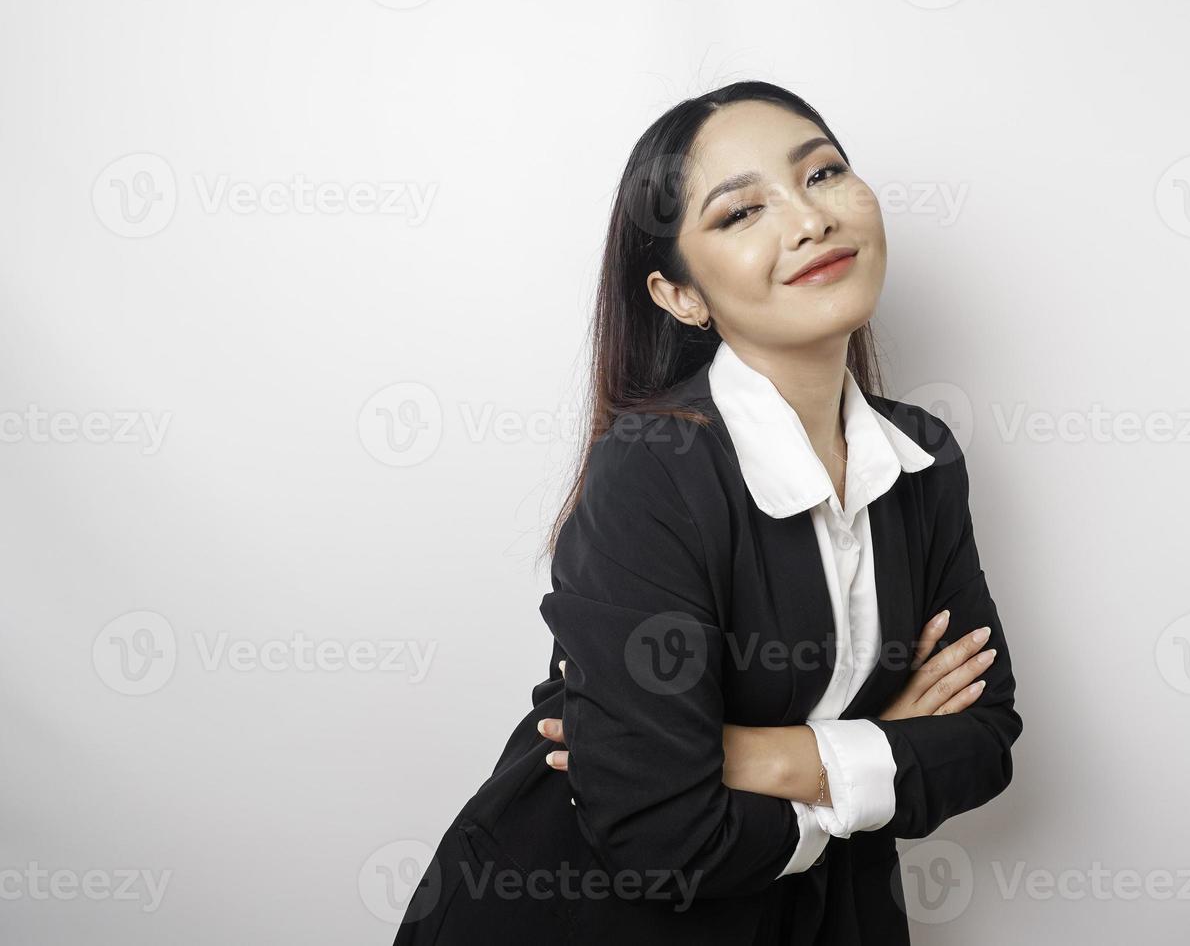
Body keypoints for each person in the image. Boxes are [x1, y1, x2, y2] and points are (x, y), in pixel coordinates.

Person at [391, 79, 1022, 945]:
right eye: (739, 213)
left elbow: (984, 739)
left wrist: (743, 756)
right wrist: (876, 755)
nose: (809, 221)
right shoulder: (650, 472)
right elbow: (661, 833)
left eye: (824, 174)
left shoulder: (922, 457)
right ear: (680, 296)